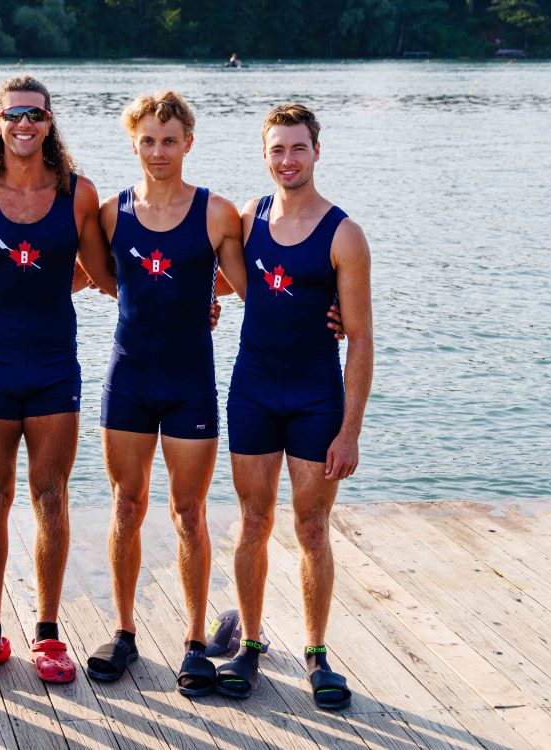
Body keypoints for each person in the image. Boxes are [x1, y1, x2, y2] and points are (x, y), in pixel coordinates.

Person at [0, 76, 114, 685]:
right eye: (13, 115)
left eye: (34, 114)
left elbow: (106, 275)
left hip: (56, 365)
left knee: (50, 496)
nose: (23, 124)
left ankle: (49, 634)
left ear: (50, 121)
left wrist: (196, 300)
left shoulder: (78, 194)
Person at [215, 103, 373, 711]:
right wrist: (207, 300)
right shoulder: (247, 218)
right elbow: (228, 279)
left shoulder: (343, 234)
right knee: (253, 521)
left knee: (311, 527)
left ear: (316, 152)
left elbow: (359, 337)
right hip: (252, 388)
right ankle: (250, 643)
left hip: (314, 396)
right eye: (277, 149)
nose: (287, 159)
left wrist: (350, 431)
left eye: (298, 148)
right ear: (264, 154)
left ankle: (316, 654)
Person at [83, 92, 240, 691]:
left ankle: (196, 641)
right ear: (134, 144)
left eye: (169, 140)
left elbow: (251, 284)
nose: (158, 151)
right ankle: (124, 633)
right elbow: (98, 278)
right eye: (147, 140)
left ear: (188, 143)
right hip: (127, 380)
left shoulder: (216, 213)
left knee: (188, 512)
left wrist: (327, 311)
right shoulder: (108, 212)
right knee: (126, 505)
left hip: (189, 384)